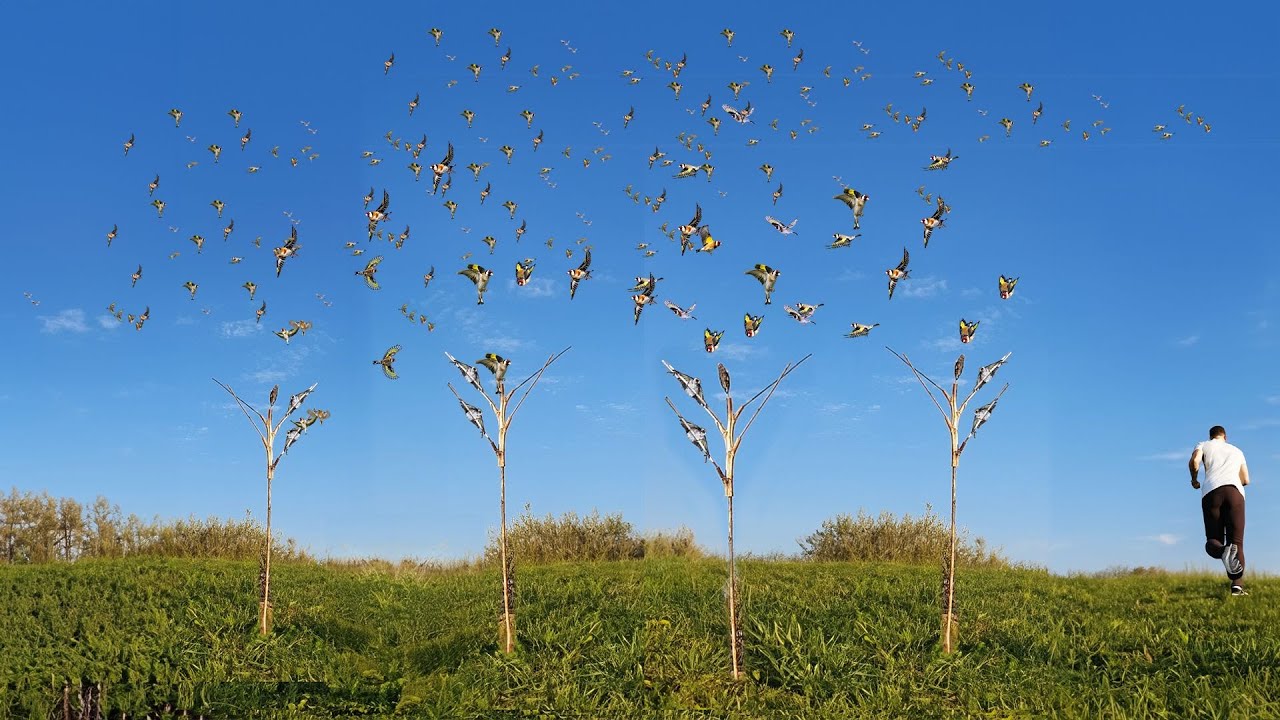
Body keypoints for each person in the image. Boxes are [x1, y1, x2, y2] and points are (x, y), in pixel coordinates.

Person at [1189, 425, 1251, 595]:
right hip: (1235, 493)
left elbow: (1194, 462)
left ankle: (1224, 551)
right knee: (1237, 543)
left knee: (1213, 540)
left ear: (1211, 436)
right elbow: (1246, 479)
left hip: (1211, 492)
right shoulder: (1237, 451)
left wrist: (1194, 479)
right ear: (1225, 437)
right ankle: (1237, 586)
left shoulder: (1203, 445)